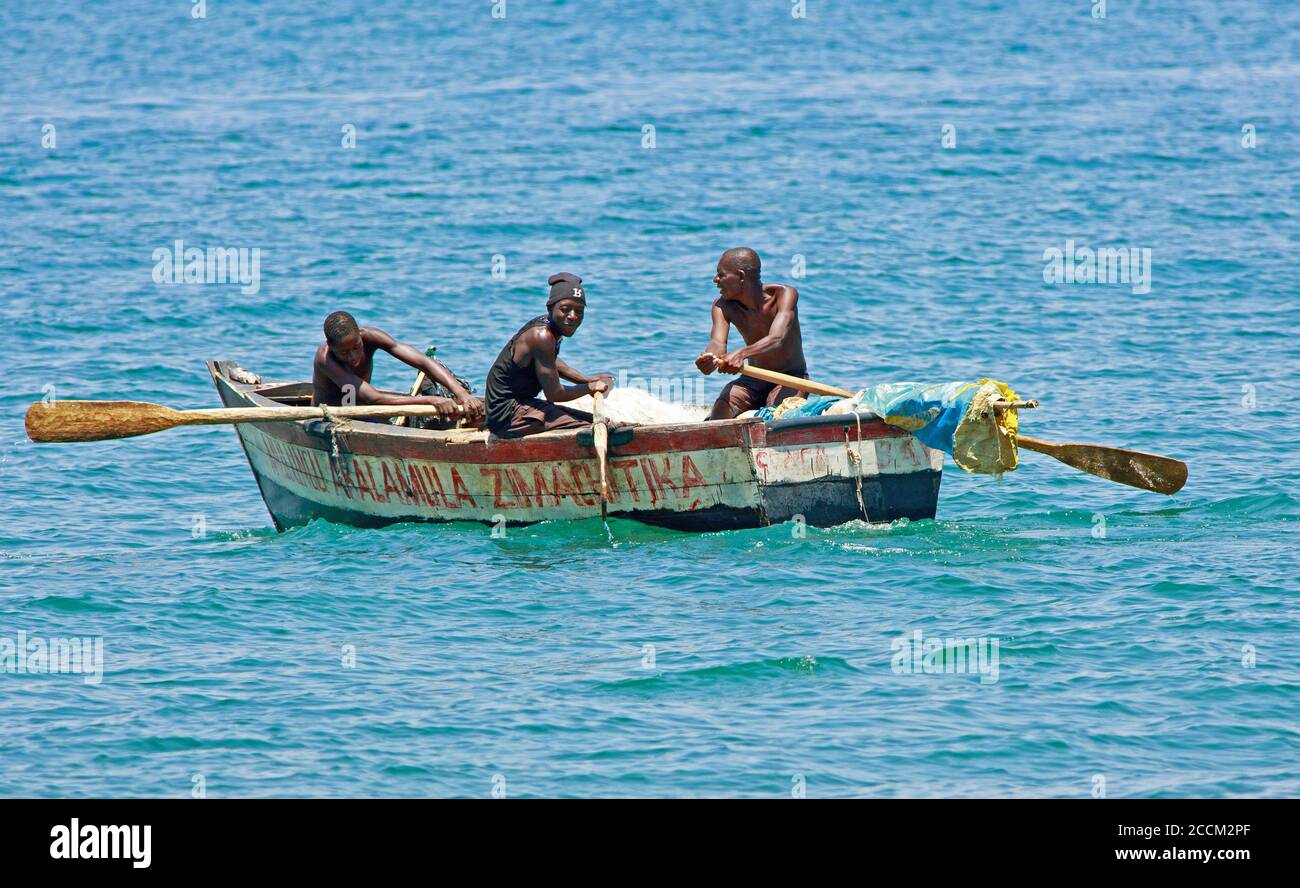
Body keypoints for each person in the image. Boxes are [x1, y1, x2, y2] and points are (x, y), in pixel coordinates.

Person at [484, 273, 613, 438]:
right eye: (565, 309)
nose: (573, 316)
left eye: (579, 311)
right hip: (506, 416)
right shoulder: (541, 335)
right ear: (550, 308)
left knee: (595, 420)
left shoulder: (552, 328)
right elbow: (555, 394)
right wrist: (588, 388)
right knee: (590, 428)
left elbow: (553, 363)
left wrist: (588, 380)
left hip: (523, 404)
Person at [694, 247, 808, 420]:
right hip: (753, 379)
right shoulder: (722, 306)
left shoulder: (784, 295)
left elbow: (777, 338)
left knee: (777, 416)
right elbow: (717, 343)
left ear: (740, 276)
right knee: (722, 408)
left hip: (791, 377)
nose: (715, 279)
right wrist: (710, 357)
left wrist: (741, 354)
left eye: (721, 274)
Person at [312, 311, 484, 424]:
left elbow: (424, 362)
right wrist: (431, 400)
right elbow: (374, 398)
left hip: (365, 413)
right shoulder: (325, 359)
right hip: (329, 419)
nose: (353, 357)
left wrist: (461, 393)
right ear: (330, 345)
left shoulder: (370, 337)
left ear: (359, 334)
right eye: (344, 353)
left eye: (356, 347)